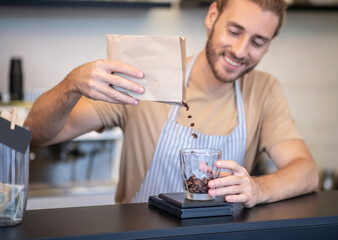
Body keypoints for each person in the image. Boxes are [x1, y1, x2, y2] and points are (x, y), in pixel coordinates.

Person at [24, 0, 319, 208]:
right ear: (212, 16)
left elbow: (306, 171)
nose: (240, 51)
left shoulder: (263, 90)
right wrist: (72, 84)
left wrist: (258, 188)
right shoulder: (146, 79)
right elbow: (34, 134)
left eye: (258, 42)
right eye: (234, 31)